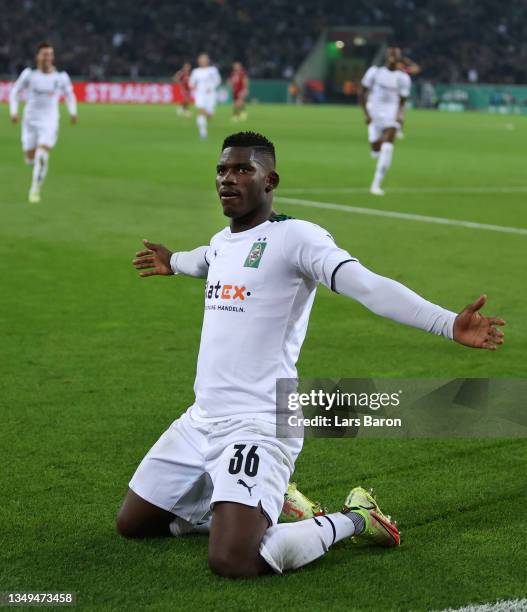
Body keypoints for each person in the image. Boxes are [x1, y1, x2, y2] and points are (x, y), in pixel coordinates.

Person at [121, 131, 505, 577]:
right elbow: (205, 259)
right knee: (135, 524)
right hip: (201, 419)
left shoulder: (297, 239)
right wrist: (173, 261)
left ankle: (356, 517)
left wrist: (446, 322)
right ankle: (249, 507)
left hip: (259, 422)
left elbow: (367, 285)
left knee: (232, 560)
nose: (228, 178)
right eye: (223, 169)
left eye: (243, 169)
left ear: (270, 180)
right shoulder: (224, 243)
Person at [9, 42, 77, 203]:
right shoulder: (29, 75)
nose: (48, 57)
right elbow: (14, 92)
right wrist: (13, 111)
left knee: (42, 155)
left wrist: (73, 112)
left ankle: (34, 190)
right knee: (30, 158)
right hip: (30, 121)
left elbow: (70, 95)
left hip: (49, 120)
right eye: (44, 54)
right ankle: (37, 170)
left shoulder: (60, 77)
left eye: (50, 54)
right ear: (37, 56)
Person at [360, 47, 410, 195]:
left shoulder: (403, 78)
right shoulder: (375, 72)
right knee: (375, 150)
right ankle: (376, 150)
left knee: (387, 148)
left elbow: (402, 100)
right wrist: (366, 113)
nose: (393, 56)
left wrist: (400, 116)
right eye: (391, 54)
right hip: (374, 112)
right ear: (386, 56)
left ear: (400, 57)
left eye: (396, 54)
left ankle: (376, 185)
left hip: (391, 114)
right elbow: (361, 92)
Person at [189, 53, 221, 139]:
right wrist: (194, 87)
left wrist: (211, 87)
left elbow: (218, 80)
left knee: (207, 113)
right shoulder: (195, 71)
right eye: (201, 59)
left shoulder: (213, 70)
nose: (202, 61)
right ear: (198, 61)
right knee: (200, 110)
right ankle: (203, 132)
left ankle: (209, 114)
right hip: (200, 94)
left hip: (210, 95)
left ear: (207, 60)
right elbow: (191, 83)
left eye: (204, 59)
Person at [396, 55, 421, 139]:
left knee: (400, 113)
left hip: (399, 95)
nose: (398, 66)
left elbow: (417, 68)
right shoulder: (392, 71)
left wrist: (409, 62)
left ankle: (398, 131)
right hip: (389, 96)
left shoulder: (404, 73)